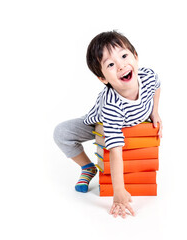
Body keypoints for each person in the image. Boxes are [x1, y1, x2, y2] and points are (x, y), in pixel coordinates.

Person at [53, 30, 162, 218]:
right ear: (103, 78)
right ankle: (88, 167)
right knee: (61, 133)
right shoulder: (112, 106)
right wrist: (118, 191)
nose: (121, 65)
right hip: (99, 121)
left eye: (124, 56)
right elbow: (115, 150)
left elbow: (157, 86)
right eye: (110, 64)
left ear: (136, 58)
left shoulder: (148, 76)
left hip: (128, 119)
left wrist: (154, 111)